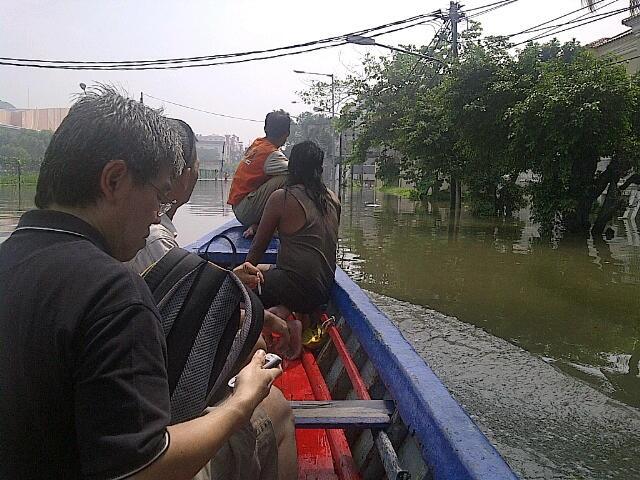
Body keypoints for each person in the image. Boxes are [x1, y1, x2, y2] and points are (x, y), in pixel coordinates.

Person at [0, 87, 286, 480]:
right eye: (158, 196)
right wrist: (241, 402)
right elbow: (143, 469)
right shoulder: (113, 292)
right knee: (276, 416)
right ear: (114, 180)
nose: (157, 216)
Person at [127, 118, 297, 479]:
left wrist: (230, 284)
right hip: (161, 433)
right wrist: (240, 404)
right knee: (267, 373)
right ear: (180, 173)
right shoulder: (153, 239)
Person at [246, 140, 341, 331]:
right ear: (319, 169)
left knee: (240, 289)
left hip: (295, 289)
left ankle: (278, 322)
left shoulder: (282, 197)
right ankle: (286, 313)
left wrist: (242, 276)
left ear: (292, 168)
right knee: (269, 270)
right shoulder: (333, 198)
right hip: (322, 292)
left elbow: (258, 247)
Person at [227, 110, 290, 237]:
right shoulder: (271, 154)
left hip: (240, 206)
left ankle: (260, 224)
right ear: (286, 134)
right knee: (289, 177)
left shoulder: (258, 143)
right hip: (246, 210)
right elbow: (300, 171)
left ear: (265, 128)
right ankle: (273, 225)